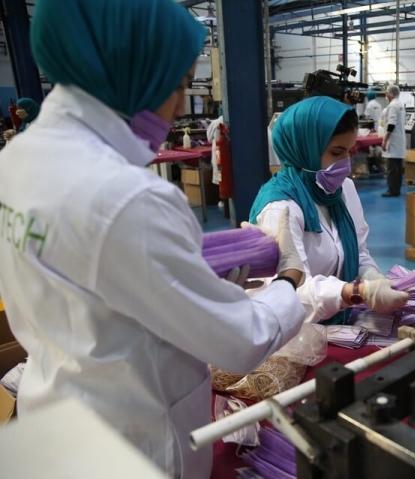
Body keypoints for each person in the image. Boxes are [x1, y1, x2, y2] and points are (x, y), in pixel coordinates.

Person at [0, 1, 308, 477]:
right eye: (179, 84)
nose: (181, 107)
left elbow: (94, 280)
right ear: (132, 68)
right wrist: (288, 279)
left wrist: (188, 277)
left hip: (56, 414)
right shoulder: (125, 196)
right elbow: (241, 341)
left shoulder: (17, 160)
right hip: (132, 444)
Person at [250, 97, 409, 324]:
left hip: (336, 321)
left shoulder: (343, 189)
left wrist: (372, 276)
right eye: (336, 152)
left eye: (349, 152)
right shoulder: (280, 208)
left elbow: (358, 251)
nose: (346, 163)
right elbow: (289, 293)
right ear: (304, 149)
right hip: (294, 332)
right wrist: (356, 292)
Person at [381, 84, 406, 197]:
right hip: (399, 140)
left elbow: (391, 124)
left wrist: (385, 140)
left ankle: (392, 190)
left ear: (391, 94)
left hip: (393, 140)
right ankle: (396, 189)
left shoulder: (392, 106)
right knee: (397, 168)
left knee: (392, 168)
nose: (386, 95)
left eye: (387, 93)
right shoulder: (400, 104)